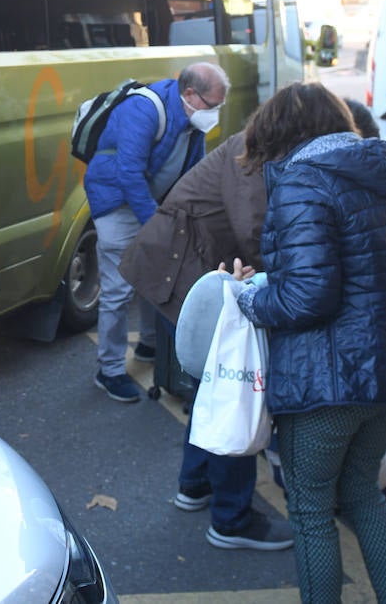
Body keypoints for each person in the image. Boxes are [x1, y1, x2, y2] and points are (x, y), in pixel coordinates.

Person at [232, 83, 386, 604]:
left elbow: (308, 297)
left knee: (310, 509)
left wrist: (250, 299)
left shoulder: (304, 180)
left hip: (328, 377)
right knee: (365, 492)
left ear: (277, 132)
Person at [119, 120, 293, 551]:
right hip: (184, 273)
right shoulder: (249, 156)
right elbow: (253, 228)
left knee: (212, 387)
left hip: (188, 271)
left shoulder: (252, 146)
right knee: (232, 390)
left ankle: (195, 484)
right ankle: (231, 520)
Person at [84, 61, 229, 403]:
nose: (215, 114)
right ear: (190, 94)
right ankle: (109, 370)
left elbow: (195, 174)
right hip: (116, 202)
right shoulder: (144, 109)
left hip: (148, 202)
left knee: (156, 276)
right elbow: (129, 174)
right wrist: (156, 224)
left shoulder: (193, 118)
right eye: (213, 105)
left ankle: (149, 343)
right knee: (119, 287)